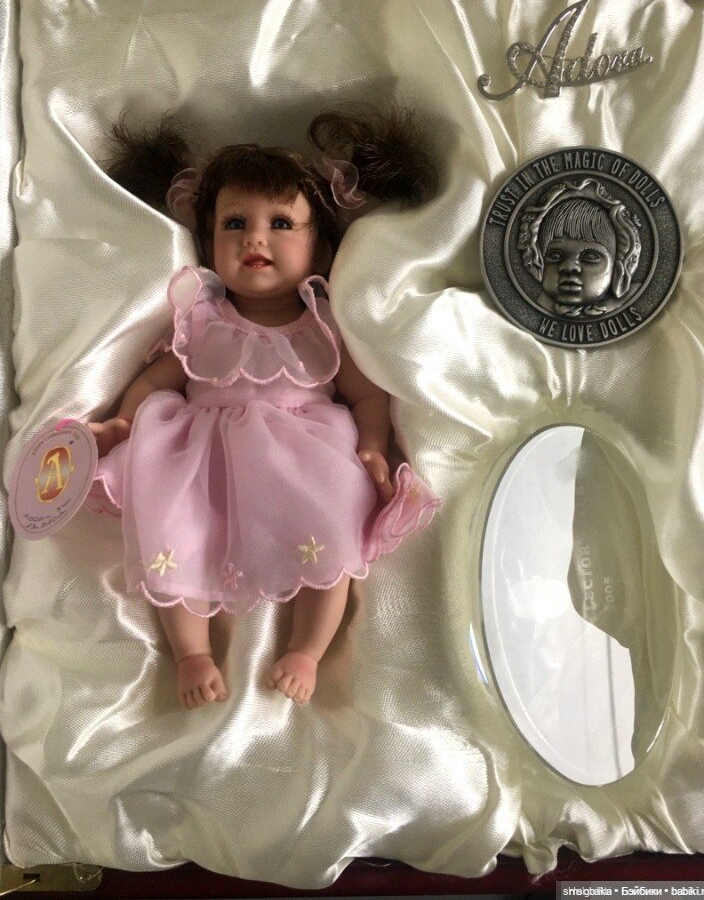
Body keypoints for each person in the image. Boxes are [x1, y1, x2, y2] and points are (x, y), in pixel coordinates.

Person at [85, 110, 441, 710]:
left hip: (305, 458)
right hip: (201, 459)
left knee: (338, 523)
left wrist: (372, 445)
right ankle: (192, 652)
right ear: (208, 243)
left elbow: (365, 394)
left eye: (280, 223)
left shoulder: (323, 325)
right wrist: (123, 423)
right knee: (174, 530)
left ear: (319, 246)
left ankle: (306, 649)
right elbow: (155, 378)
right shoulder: (201, 319)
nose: (255, 239)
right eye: (234, 223)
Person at [518, 178, 642, 317]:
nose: (569, 267)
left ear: (618, 267)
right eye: (555, 255)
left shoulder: (635, 298)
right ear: (539, 261)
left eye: (590, 256)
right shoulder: (537, 305)